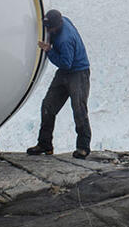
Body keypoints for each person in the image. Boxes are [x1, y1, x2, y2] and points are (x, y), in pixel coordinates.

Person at [26, 9, 92, 158]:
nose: (48, 30)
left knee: (79, 109)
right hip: (66, 73)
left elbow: (65, 63)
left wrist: (48, 50)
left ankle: (83, 147)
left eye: (50, 28)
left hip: (77, 73)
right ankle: (45, 144)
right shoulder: (64, 20)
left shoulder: (65, 40)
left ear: (57, 25)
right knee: (48, 105)